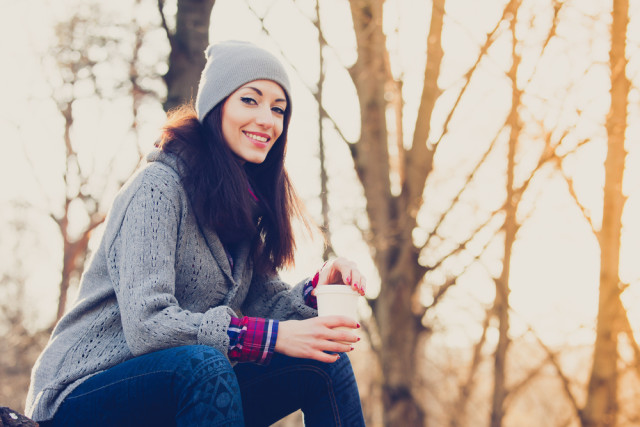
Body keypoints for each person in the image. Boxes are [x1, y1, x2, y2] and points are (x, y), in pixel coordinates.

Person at [25, 40, 367, 427]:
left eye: (278, 109)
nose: (267, 119)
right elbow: (148, 326)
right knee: (206, 365)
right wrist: (272, 337)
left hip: (181, 386)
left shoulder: (241, 207)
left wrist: (319, 288)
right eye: (250, 100)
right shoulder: (157, 188)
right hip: (82, 393)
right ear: (216, 105)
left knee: (324, 362)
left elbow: (264, 311)